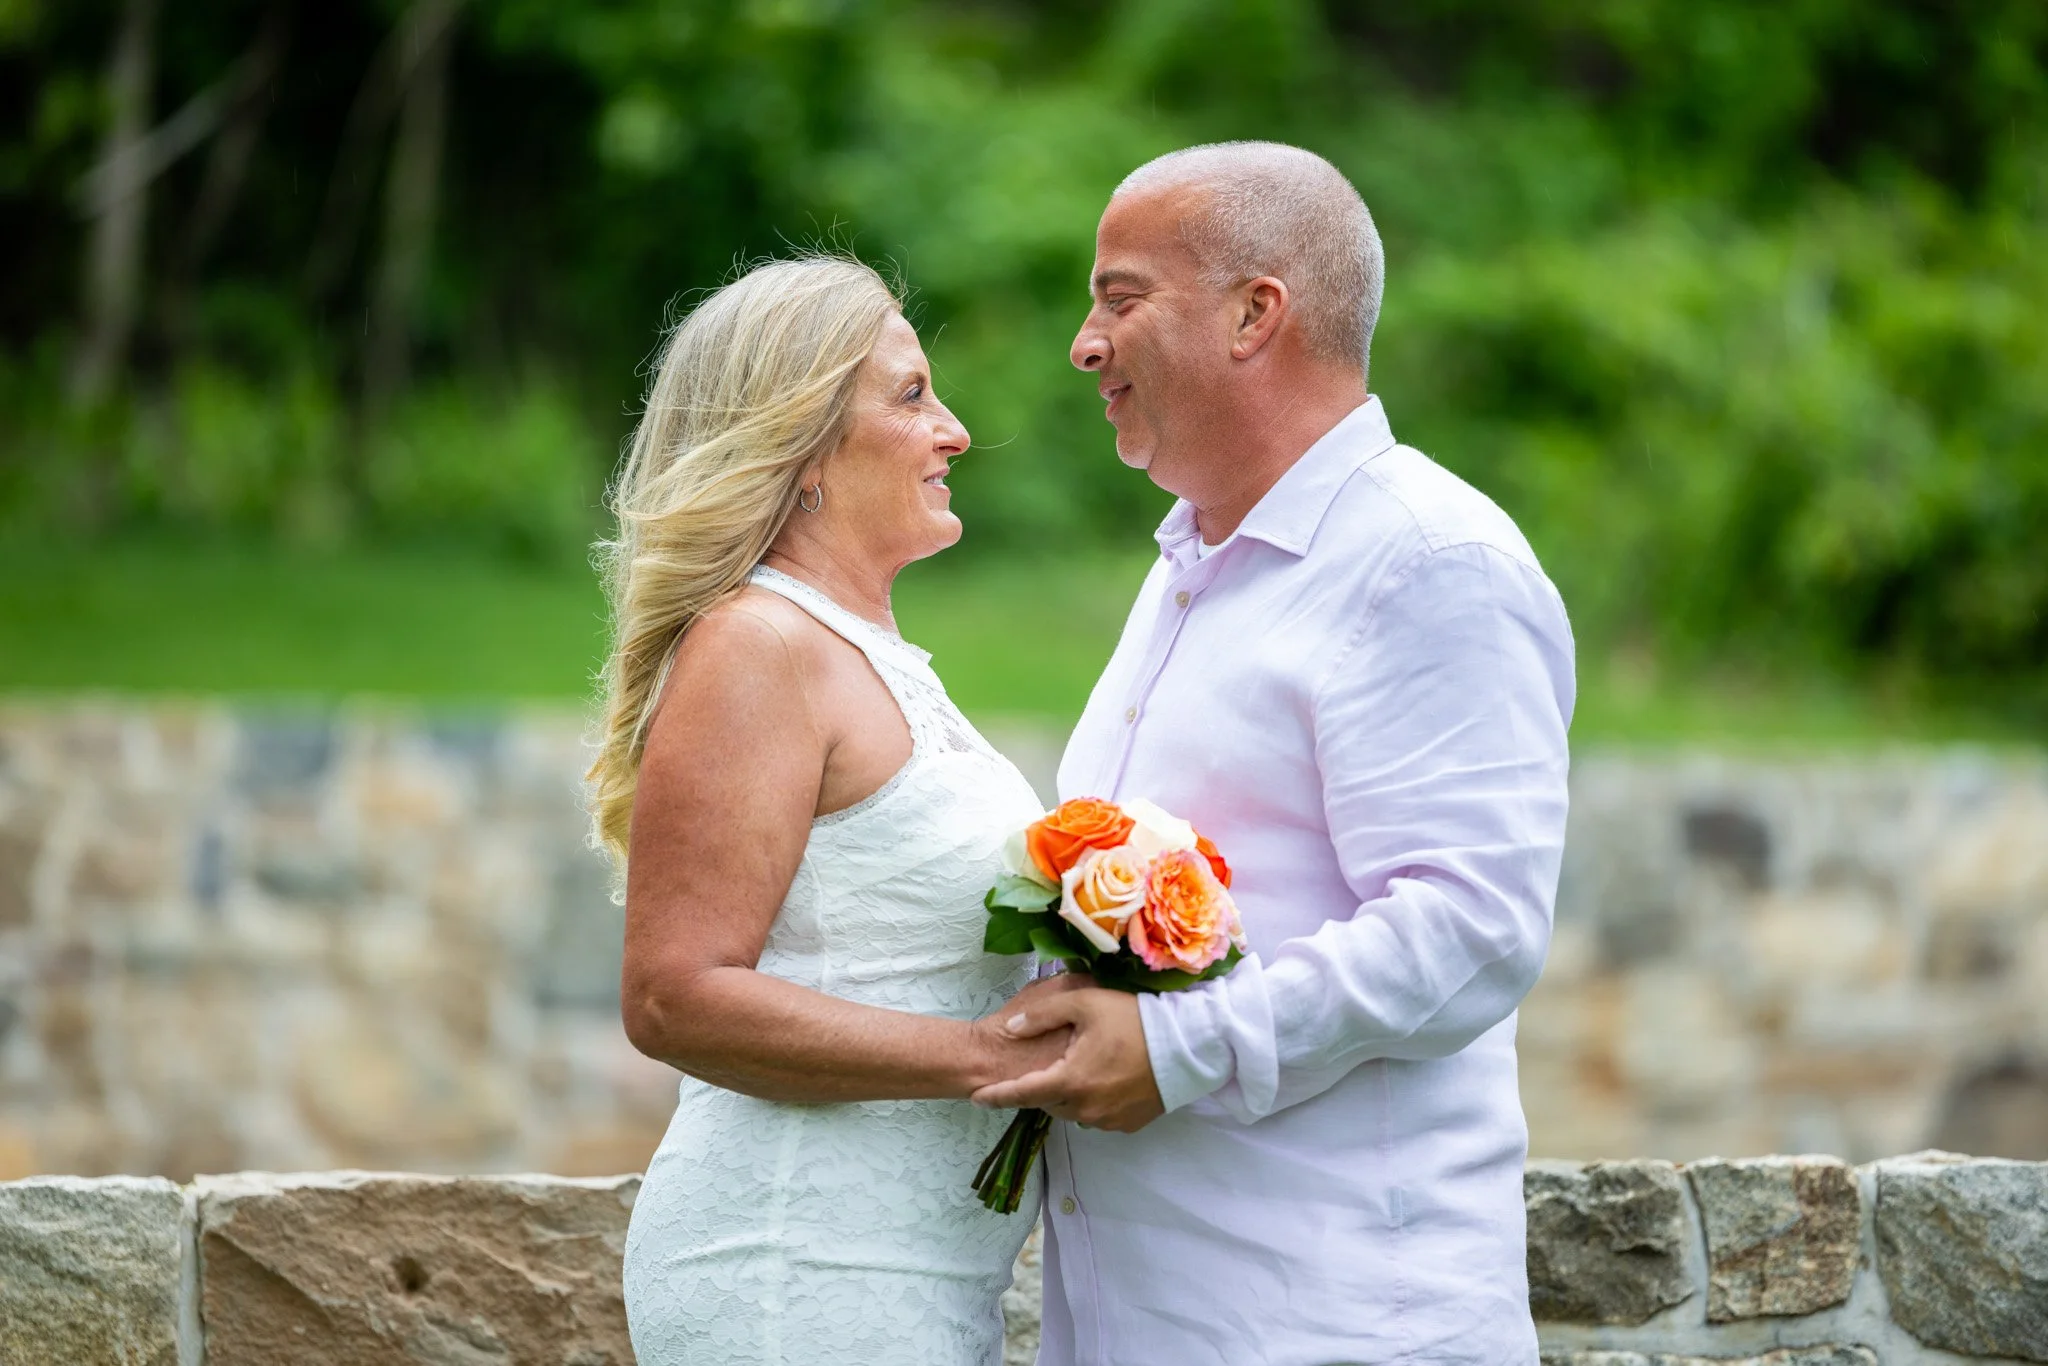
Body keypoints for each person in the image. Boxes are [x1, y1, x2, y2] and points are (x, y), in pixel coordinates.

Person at [972, 142, 1577, 1364]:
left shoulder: (1426, 561)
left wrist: (1179, 1046)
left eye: (1119, 296)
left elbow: (1471, 926)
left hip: (1332, 1316)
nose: (1083, 344)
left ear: (1256, 313)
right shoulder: (1189, 569)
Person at [599, 256, 1064, 1365]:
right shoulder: (758, 647)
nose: (954, 432)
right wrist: (981, 1055)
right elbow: (675, 995)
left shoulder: (870, 656)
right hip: (794, 1265)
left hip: (908, 1273)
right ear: (799, 452)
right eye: (910, 396)